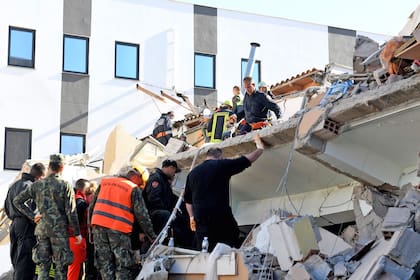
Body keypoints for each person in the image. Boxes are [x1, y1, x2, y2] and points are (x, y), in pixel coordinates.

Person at [184, 134, 265, 252]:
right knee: (230, 241)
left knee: (205, 248)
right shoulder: (220, 165)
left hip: (200, 218)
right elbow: (246, 160)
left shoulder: (192, 173)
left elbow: (188, 201)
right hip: (219, 215)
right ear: (220, 156)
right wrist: (260, 149)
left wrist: (192, 217)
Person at [13, 154, 82, 280]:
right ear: (62, 168)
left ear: (49, 166)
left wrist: (32, 216)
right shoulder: (65, 185)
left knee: (43, 267)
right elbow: (71, 211)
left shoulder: (37, 185)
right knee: (61, 267)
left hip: (42, 230)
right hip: (59, 232)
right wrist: (77, 233)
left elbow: (17, 201)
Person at [89, 165, 157, 280]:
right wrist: (152, 236)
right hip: (118, 230)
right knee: (123, 265)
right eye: (141, 182)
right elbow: (142, 216)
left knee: (105, 265)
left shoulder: (104, 183)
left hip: (98, 229)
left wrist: (90, 232)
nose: (140, 186)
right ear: (136, 177)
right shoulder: (132, 188)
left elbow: (91, 207)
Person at [4, 162, 46, 280]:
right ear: (40, 177)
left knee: (16, 260)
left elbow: (6, 207)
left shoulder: (14, 185)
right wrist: (34, 218)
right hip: (26, 226)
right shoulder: (30, 187)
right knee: (25, 262)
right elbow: (30, 208)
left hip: (14, 225)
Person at [143, 159, 192, 247]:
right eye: (174, 171)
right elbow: (153, 199)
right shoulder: (156, 178)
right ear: (170, 168)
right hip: (155, 213)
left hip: (162, 211)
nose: (174, 174)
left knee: (182, 219)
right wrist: (169, 209)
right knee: (168, 216)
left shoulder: (163, 180)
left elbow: (171, 198)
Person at [68, 179, 90, 280]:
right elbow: (79, 222)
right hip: (76, 239)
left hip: (66, 238)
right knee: (75, 270)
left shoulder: (68, 199)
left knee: (70, 269)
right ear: (84, 189)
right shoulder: (81, 203)